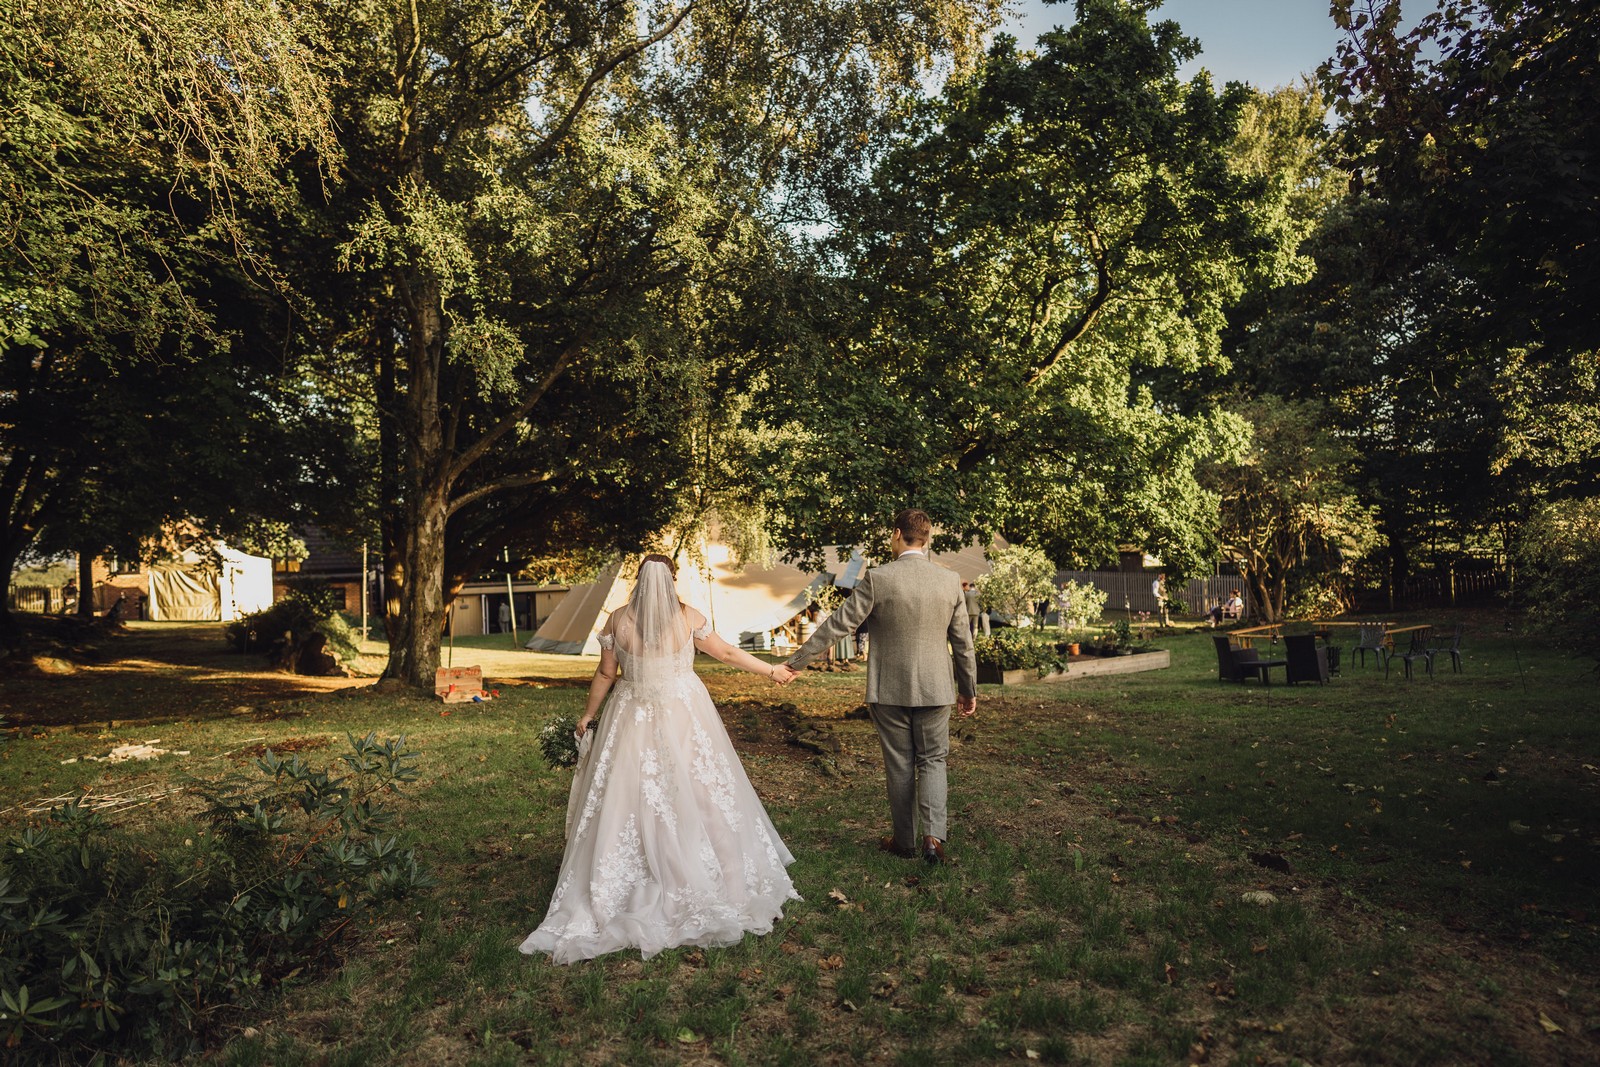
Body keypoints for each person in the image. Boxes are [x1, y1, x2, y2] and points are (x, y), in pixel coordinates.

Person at [520, 554, 800, 964]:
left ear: (638, 580)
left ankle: (628, 874)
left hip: (630, 714)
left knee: (630, 795)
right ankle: (703, 868)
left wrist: (589, 714)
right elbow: (726, 654)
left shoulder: (618, 619)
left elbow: (604, 674)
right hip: (685, 712)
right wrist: (771, 670)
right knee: (699, 787)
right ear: (672, 579)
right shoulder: (687, 617)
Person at [781, 509, 978, 865]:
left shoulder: (878, 578)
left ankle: (904, 842)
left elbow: (838, 625)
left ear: (897, 533)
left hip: (889, 688)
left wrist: (797, 661)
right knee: (934, 759)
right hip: (936, 688)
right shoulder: (949, 581)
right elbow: (963, 643)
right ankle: (933, 838)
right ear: (928, 537)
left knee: (901, 763)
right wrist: (968, 689)